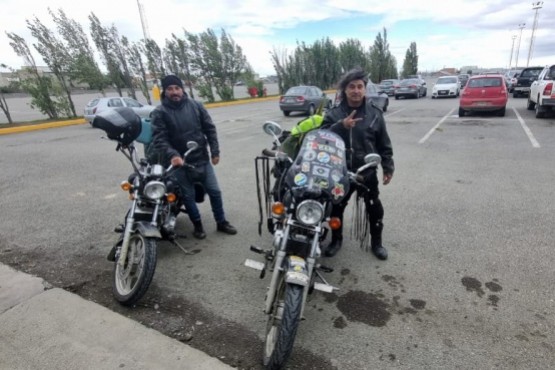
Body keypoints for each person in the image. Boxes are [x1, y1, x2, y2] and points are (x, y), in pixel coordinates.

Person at [150, 74, 237, 239]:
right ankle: (197, 225)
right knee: (188, 196)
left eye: (177, 88)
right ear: (165, 91)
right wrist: (173, 155)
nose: (174, 92)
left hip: (202, 159)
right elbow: (159, 139)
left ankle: (221, 222)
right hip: (180, 164)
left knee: (215, 192)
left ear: (182, 89)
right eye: (170, 89)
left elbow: (209, 129)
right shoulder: (159, 113)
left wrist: (215, 151)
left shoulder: (196, 106)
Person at [321, 68, 394, 260]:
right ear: (344, 90)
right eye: (351, 87)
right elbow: (321, 137)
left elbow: (384, 144)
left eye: (360, 86)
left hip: (366, 172)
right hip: (339, 173)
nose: (356, 90)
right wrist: (340, 126)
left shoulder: (375, 114)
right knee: (336, 208)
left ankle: (376, 243)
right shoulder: (333, 113)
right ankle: (336, 240)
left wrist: (388, 167)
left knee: (374, 207)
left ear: (365, 89)